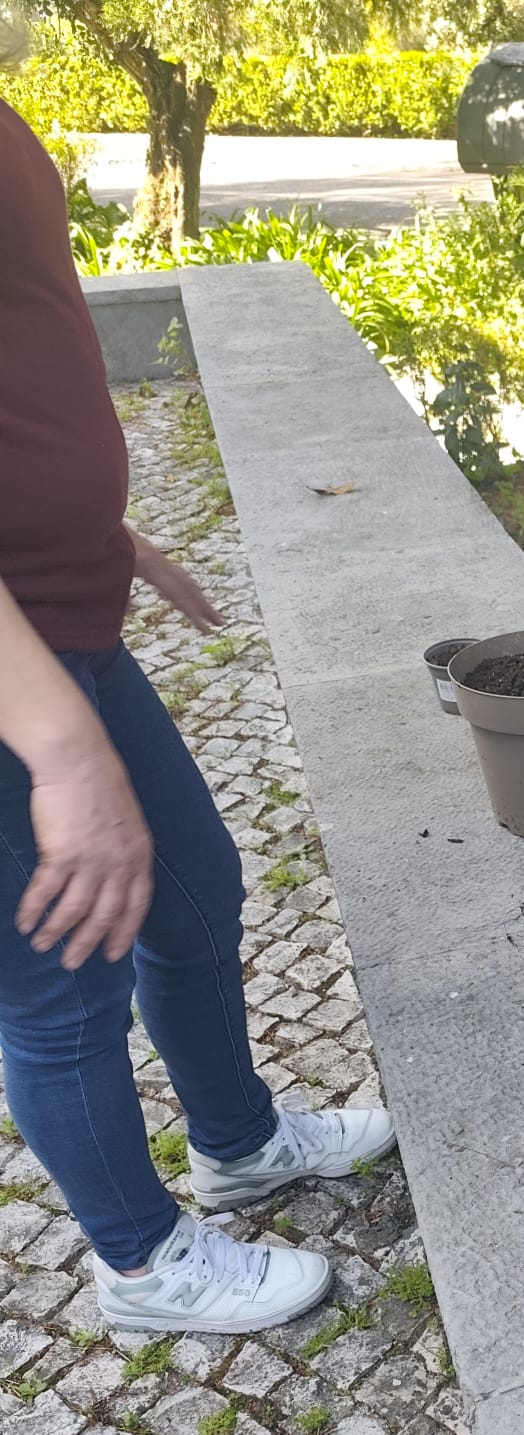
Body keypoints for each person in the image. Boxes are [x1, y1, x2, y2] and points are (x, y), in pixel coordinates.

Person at [0, 87, 396, 1336]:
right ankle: (141, 1262)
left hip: (59, 616)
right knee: (60, 984)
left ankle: (236, 1142)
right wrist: (62, 749)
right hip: (22, 681)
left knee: (195, 890)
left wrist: (96, 527)